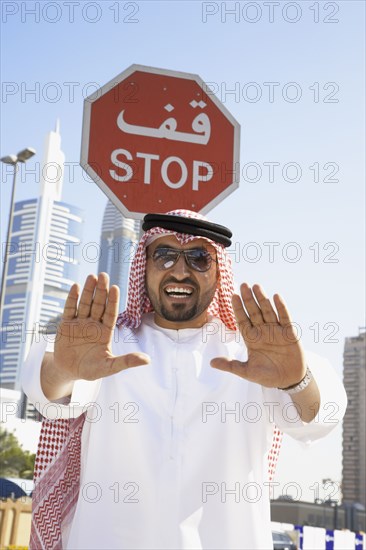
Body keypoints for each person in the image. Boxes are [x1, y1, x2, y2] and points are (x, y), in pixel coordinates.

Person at [22, 209, 347, 550]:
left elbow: (319, 416)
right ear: (143, 265)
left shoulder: (255, 353)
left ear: (219, 272)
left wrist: (295, 382)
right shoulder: (108, 345)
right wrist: (65, 368)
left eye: (198, 258)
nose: (180, 270)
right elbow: (48, 394)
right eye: (163, 255)